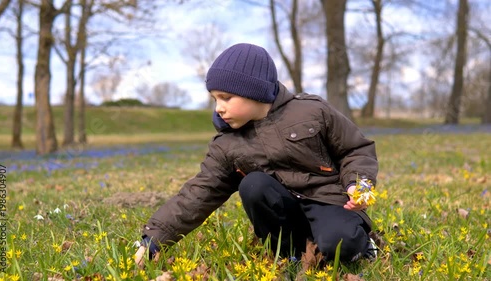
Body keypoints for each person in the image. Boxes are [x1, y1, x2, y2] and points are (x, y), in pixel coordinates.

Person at [135, 43, 378, 266]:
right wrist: (155, 239)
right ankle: (289, 254)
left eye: (226, 98)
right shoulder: (227, 143)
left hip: (329, 201)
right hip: (283, 212)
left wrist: (360, 185)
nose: (219, 107)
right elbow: (199, 193)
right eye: (214, 99)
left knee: (340, 248)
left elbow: (354, 149)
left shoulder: (312, 111)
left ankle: (362, 244)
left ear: (255, 92)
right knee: (253, 184)